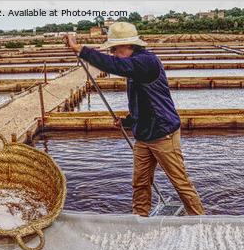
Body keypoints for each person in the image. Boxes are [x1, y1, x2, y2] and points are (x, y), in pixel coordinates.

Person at [64, 22, 205, 217]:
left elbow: (116, 65)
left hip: (163, 134)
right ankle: (140, 220)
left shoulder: (146, 61)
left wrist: (80, 49)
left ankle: (202, 222)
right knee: (140, 183)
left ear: (129, 45)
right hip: (143, 135)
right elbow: (143, 103)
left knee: (180, 182)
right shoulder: (134, 66)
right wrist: (127, 122)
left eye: (115, 48)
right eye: (111, 49)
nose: (113, 53)